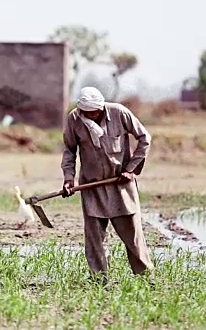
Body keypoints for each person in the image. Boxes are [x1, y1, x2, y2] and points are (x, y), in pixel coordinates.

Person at [61, 86, 154, 283]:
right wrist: (68, 179)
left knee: (133, 237)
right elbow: (69, 150)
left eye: (94, 112)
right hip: (92, 188)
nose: (91, 116)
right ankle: (99, 280)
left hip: (120, 185)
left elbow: (144, 138)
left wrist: (131, 169)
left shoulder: (119, 113)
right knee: (94, 239)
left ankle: (145, 278)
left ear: (101, 107)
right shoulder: (75, 119)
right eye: (86, 112)